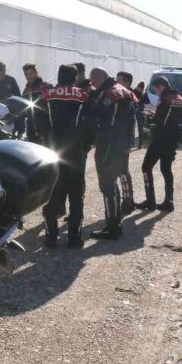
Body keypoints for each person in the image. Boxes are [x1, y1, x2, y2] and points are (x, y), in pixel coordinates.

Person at [37, 64, 89, 249]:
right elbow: (90, 124)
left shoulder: (47, 95)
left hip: (53, 153)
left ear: (58, 76)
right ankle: (74, 238)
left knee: (51, 195)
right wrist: (85, 146)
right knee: (76, 198)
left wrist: (44, 141)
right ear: (74, 78)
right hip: (75, 154)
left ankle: (51, 238)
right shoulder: (83, 96)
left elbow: (38, 123)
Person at [87, 67, 137, 240]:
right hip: (120, 143)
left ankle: (113, 226)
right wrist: (128, 142)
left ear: (98, 78)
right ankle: (114, 223)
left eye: (92, 81)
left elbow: (100, 116)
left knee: (107, 185)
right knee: (112, 182)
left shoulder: (110, 94)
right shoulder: (123, 91)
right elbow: (132, 120)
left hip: (109, 144)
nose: (92, 85)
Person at [136, 76, 182, 212]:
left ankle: (150, 201)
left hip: (160, 139)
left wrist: (149, 117)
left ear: (161, 86)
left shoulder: (165, 99)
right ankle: (169, 201)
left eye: (155, 88)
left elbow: (159, 121)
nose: (155, 91)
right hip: (173, 140)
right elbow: (170, 118)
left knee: (146, 167)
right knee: (166, 170)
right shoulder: (179, 98)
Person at [21, 63, 51, 142]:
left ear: (36, 72)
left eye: (31, 73)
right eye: (26, 74)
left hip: (45, 126)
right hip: (30, 127)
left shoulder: (45, 86)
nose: (29, 76)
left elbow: (52, 106)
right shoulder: (26, 90)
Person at [133, 81, 147, 148]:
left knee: (135, 127)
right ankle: (139, 144)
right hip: (140, 111)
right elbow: (147, 101)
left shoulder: (134, 91)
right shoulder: (143, 93)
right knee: (139, 128)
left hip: (135, 110)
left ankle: (135, 143)